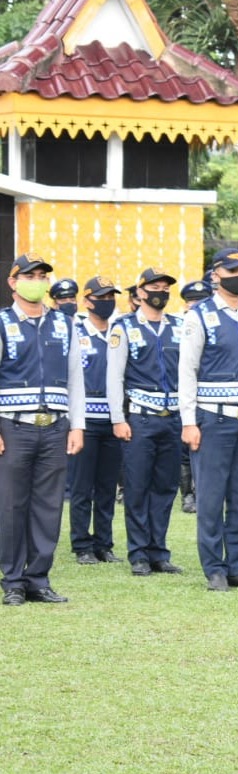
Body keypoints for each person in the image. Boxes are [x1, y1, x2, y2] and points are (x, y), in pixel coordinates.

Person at [179, 248, 238, 591]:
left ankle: (236, 564)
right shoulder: (199, 315)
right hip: (214, 419)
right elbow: (187, 371)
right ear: (216, 274)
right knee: (210, 495)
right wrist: (188, 421)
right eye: (233, 269)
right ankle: (214, 568)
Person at [0, 254, 85, 606]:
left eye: (41, 275)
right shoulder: (3, 323)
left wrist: (77, 425)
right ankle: (13, 580)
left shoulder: (65, 324)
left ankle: (38, 578)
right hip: (13, 427)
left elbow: (76, 379)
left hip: (54, 427)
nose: (36, 280)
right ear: (13, 282)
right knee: (11, 505)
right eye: (29, 275)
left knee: (49, 506)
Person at [107, 267, 184, 576]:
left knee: (166, 487)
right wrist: (118, 418)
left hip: (173, 419)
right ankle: (138, 553)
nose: (161, 291)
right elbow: (114, 376)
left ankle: (159, 551)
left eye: (166, 287)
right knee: (138, 486)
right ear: (139, 292)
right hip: (139, 418)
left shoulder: (179, 327)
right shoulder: (123, 328)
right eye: (154, 286)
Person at [68, 277, 123, 565]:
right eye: (102, 296)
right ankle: (81, 544)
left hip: (113, 421)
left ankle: (104, 543)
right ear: (87, 300)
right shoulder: (75, 332)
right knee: (81, 486)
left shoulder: (119, 331)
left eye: (112, 295)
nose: (108, 301)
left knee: (107, 486)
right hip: (85, 421)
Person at [177, 279, 214, 515]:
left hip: (207, 396)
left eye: (201, 301)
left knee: (204, 448)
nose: (196, 305)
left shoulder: (212, 324)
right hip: (182, 393)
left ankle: (202, 492)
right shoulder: (179, 326)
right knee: (185, 449)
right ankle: (187, 495)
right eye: (192, 301)